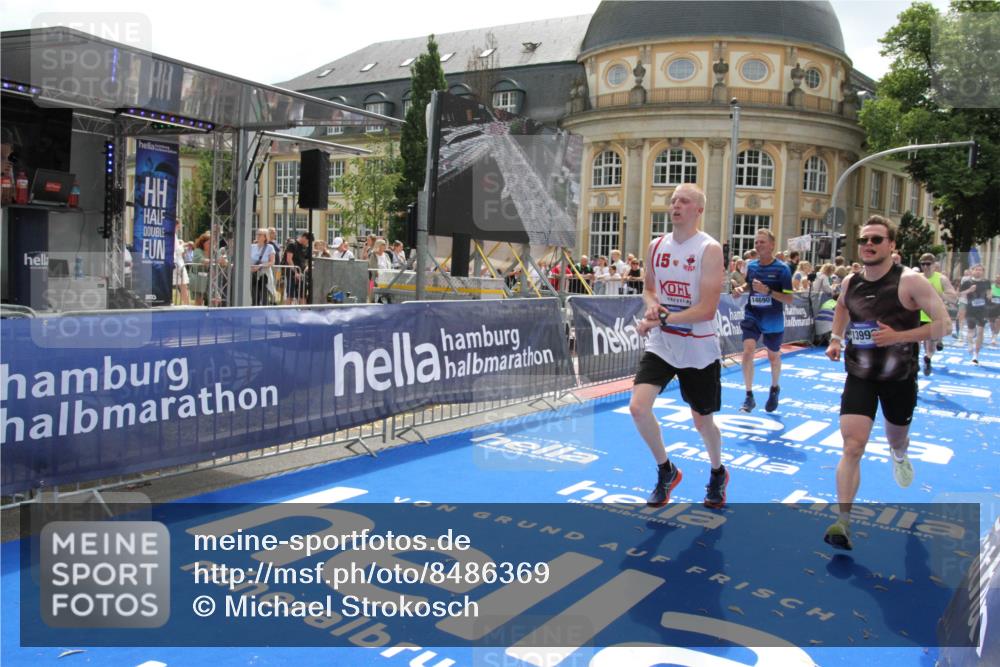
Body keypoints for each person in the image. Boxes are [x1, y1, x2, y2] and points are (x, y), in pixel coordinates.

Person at [822, 216, 950, 550]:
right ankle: (843, 522)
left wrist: (900, 336)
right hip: (860, 375)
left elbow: (944, 325)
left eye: (877, 240)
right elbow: (841, 308)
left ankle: (899, 454)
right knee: (852, 445)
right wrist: (836, 339)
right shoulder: (851, 282)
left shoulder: (911, 282)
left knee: (897, 438)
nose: (869, 244)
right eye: (864, 239)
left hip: (899, 378)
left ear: (892, 246)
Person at [630, 183, 727, 509]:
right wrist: (652, 306)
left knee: (703, 422)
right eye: (673, 201)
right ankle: (665, 470)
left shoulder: (709, 249)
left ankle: (717, 471)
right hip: (662, 343)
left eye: (684, 201)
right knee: (638, 408)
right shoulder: (657, 245)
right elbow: (649, 289)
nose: (676, 206)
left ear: (698, 210)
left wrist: (661, 318)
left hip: (698, 347)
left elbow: (707, 310)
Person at [731, 229, 793, 413]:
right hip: (753, 314)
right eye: (756, 242)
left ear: (772, 245)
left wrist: (768, 292)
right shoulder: (752, 265)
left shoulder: (783, 269)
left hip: (773, 318)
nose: (758, 245)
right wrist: (741, 289)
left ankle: (774, 388)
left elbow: (789, 299)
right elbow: (750, 284)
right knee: (748, 350)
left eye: (762, 242)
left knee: (773, 356)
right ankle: (749, 396)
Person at [917, 252, 956, 374]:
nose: (925, 267)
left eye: (928, 264)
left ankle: (928, 359)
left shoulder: (941, 279)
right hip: (917, 315)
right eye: (923, 264)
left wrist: (939, 294)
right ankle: (914, 363)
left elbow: (953, 298)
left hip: (934, 316)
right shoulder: (916, 277)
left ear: (934, 265)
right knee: (915, 342)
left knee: (929, 344)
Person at [961, 264, 990, 364]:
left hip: (982, 310)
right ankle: (970, 345)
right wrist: (969, 290)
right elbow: (959, 294)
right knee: (971, 332)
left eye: (980, 270)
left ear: (983, 272)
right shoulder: (967, 282)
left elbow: (989, 294)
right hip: (970, 309)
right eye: (976, 270)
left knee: (980, 331)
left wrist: (989, 297)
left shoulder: (986, 282)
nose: (978, 271)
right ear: (972, 271)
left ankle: (976, 355)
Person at [250, 228, 275, 306]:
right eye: (257, 234)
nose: (257, 236)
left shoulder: (270, 247)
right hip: (253, 275)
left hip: (265, 275)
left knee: (264, 297)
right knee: (254, 297)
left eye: (260, 234)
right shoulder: (252, 247)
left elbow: (272, 262)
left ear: (265, 237)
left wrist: (260, 266)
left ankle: (265, 315)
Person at [172, 239, 190, 305]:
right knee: (183, 286)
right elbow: (177, 250)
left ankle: (186, 305)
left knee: (184, 286)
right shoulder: (172, 233)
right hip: (177, 264)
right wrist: (182, 245)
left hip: (179, 264)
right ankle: (187, 305)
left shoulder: (175, 235)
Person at [991, 273, 1000, 346]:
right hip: (992, 307)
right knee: (991, 322)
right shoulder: (991, 287)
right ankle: (993, 333)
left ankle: (995, 336)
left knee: (998, 321)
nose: (998, 280)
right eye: (997, 278)